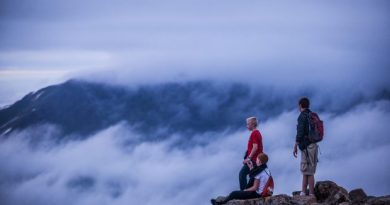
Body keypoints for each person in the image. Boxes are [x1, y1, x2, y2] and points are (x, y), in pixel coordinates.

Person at [293, 97, 319, 196]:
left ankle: (309, 194)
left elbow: (300, 133)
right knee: (309, 170)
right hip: (314, 145)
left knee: (306, 170)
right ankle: (304, 192)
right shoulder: (312, 115)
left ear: (300, 105)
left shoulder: (302, 116)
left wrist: (295, 145)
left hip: (306, 146)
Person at [239, 117, 263, 190]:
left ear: (252, 124)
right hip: (256, 159)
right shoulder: (256, 133)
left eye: (248, 124)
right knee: (252, 176)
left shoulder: (254, 133)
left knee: (242, 174)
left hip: (253, 160)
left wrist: (248, 158)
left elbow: (255, 147)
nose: (247, 126)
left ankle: (243, 193)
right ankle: (248, 191)